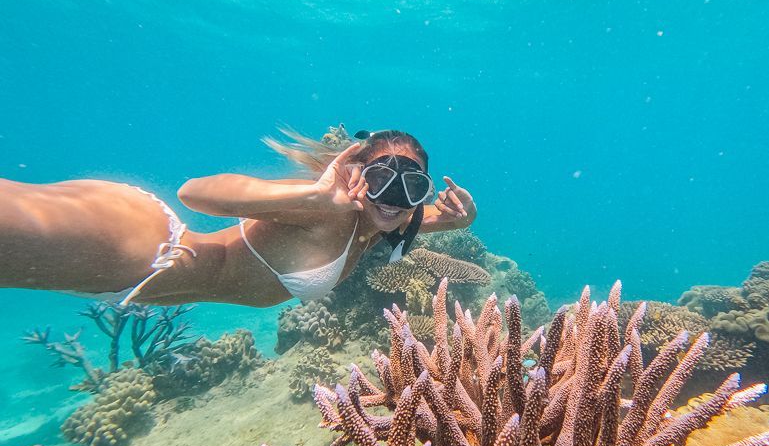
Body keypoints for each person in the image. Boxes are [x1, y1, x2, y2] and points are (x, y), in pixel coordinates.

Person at [0, 129, 476, 307]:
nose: (394, 198)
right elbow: (196, 193)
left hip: (126, 279)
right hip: (137, 246)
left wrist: (458, 220)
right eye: (381, 180)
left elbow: (413, 219)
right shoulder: (321, 210)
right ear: (357, 176)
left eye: (412, 186)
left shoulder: (374, 223)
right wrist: (313, 196)